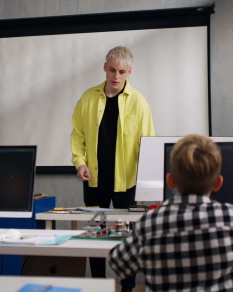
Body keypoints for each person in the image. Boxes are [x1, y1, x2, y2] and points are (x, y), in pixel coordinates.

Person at [108, 134, 233, 291]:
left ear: (170, 181)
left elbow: (119, 263)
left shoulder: (151, 221)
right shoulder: (231, 218)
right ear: (218, 183)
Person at [70, 46, 155, 290]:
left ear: (129, 72)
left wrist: (150, 185)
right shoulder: (88, 97)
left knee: (127, 240)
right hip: (94, 182)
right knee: (95, 237)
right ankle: (98, 286)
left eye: (121, 71)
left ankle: (127, 288)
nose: (115, 76)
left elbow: (148, 143)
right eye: (111, 70)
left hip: (126, 183)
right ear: (104, 68)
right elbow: (77, 135)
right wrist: (80, 161)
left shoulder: (138, 102)